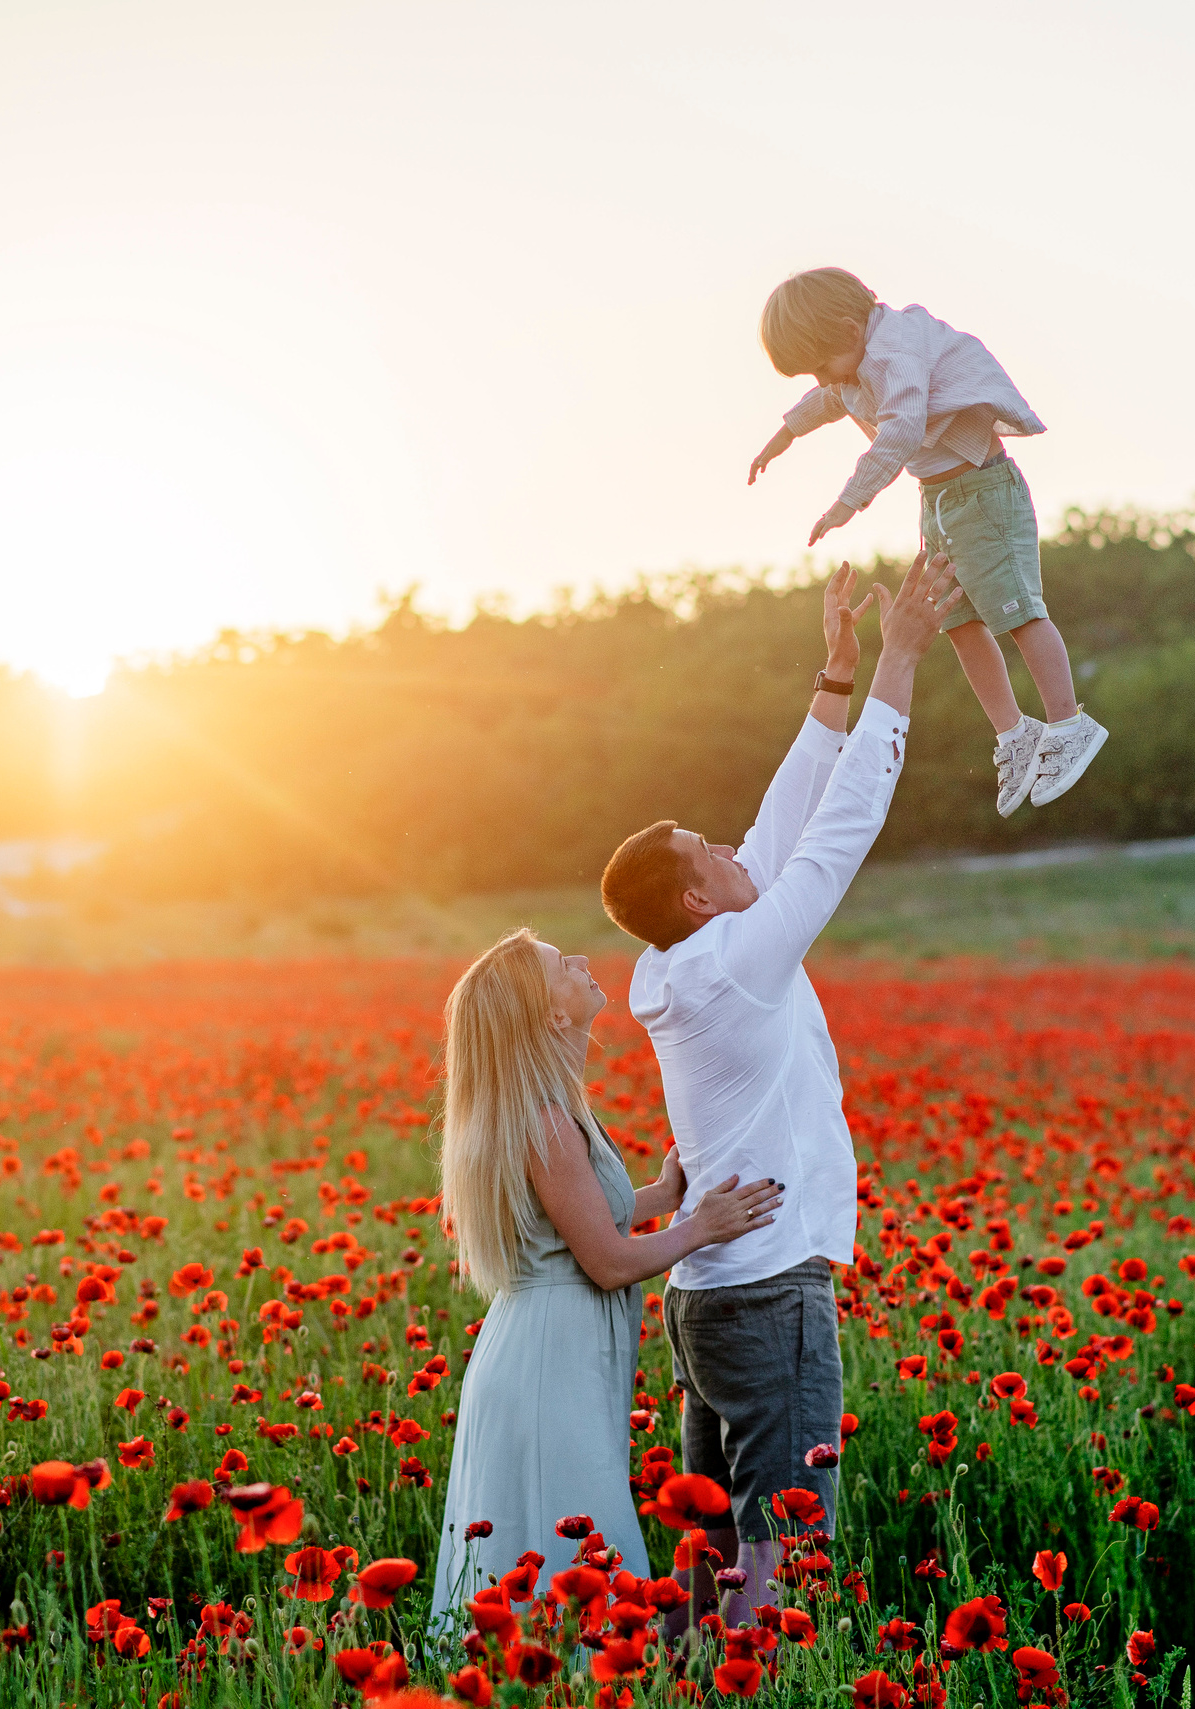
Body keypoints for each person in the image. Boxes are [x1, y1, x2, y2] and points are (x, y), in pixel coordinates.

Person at [597, 548, 960, 1626]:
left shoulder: (674, 962)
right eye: (700, 847)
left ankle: (686, 1676)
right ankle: (754, 1677)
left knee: (711, 1535)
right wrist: (901, 659)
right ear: (700, 898)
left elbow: (771, 830)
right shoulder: (735, 960)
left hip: (705, 1296)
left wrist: (835, 679)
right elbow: (837, 828)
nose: (724, 841)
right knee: (784, 1534)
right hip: (768, 1291)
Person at [427, 928, 784, 1623]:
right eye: (564, 965)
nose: (583, 962)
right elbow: (608, 1260)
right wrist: (704, 1225)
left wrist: (659, 1194)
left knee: (550, 1551)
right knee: (585, 1544)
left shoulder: (542, 1114)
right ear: (552, 1014)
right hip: (548, 1363)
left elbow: (581, 1220)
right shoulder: (547, 1124)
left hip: (539, 1348)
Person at [748, 265, 1108, 817]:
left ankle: (1068, 722)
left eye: (821, 366)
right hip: (939, 499)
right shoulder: (853, 365)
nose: (822, 381)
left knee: (1017, 611)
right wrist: (782, 437)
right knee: (958, 623)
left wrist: (849, 500)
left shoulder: (895, 352)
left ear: (848, 332)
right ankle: (1016, 734)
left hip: (983, 493)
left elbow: (902, 429)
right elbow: (830, 401)